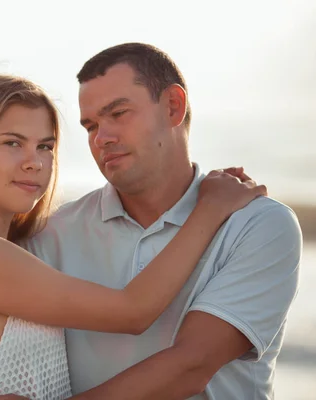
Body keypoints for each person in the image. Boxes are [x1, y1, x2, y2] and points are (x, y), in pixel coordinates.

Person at [0, 74, 266, 400]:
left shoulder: (7, 248)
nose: (34, 161)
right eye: (12, 143)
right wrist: (209, 209)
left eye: (46, 146)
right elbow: (133, 311)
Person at [17, 42, 302, 399]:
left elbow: (190, 366)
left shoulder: (259, 226)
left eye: (119, 113)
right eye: (90, 126)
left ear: (173, 106)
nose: (102, 138)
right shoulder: (51, 234)